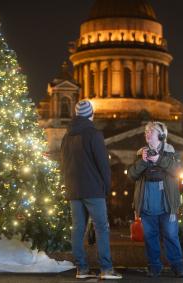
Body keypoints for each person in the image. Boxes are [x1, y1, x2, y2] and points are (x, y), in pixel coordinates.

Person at [60, 100, 122, 280]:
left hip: (73, 189)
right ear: (90, 114)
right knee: (102, 228)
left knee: (78, 228)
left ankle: (82, 269)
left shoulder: (66, 136)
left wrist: (67, 185)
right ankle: (107, 269)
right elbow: (103, 164)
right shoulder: (93, 134)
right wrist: (107, 186)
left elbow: (63, 165)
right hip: (93, 189)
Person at [127, 121, 183, 278]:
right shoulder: (141, 154)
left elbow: (178, 170)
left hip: (167, 202)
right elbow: (131, 175)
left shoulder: (170, 152)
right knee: (150, 236)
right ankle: (154, 266)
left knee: (171, 235)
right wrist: (143, 162)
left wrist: (159, 159)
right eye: (146, 131)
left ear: (161, 135)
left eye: (151, 131)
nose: (147, 134)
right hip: (147, 202)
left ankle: (178, 266)